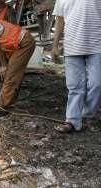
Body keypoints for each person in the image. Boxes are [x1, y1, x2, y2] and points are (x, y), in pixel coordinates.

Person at [52, 0, 101, 133]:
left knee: (97, 83)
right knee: (75, 86)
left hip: (97, 45)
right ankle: (72, 121)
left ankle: (86, 114)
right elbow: (60, 20)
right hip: (72, 46)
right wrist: (55, 45)